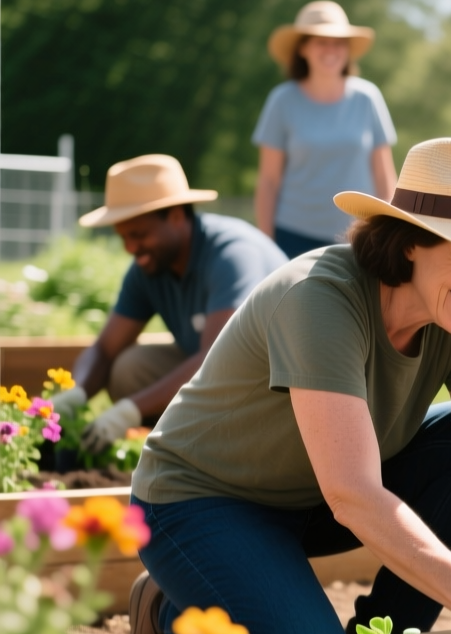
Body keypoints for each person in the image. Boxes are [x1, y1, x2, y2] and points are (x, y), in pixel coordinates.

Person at [117, 138, 451, 634]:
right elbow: (354, 494)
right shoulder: (320, 299)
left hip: (314, 496)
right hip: (201, 503)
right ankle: (173, 610)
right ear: (413, 241)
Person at [57, 155, 286, 454]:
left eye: (139, 235)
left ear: (176, 216)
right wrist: (75, 393)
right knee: (129, 369)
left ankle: (208, 456)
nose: (130, 248)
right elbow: (105, 349)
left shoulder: (232, 255)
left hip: (275, 390)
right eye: (123, 237)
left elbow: (217, 359)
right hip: (220, 378)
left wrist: (129, 410)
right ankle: (167, 452)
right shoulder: (149, 268)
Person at [254, 0, 397, 259]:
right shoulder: (282, 100)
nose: (331, 50)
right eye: (321, 41)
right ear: (303, 48)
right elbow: (268, 180)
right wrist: (266, 243)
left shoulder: (368, 98)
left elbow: (384, 174)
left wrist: (390, 232)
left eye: (339, 42)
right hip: (292, 236)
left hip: (360, 235)